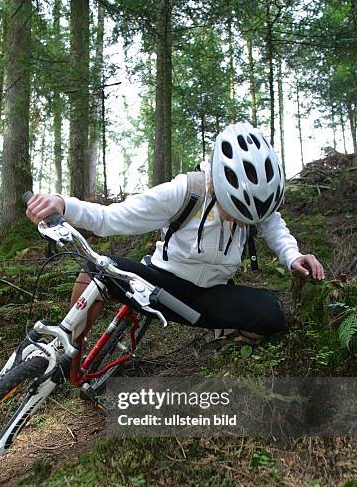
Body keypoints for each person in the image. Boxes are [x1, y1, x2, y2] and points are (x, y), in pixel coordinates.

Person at [26, 122, 325, 344]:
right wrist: (64, 204)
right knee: (95, 271)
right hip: (160, 283)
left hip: (211, 294)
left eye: (247, 220)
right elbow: (110, 218)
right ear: (218, 186)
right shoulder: (185, 192)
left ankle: (229, 333)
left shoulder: (258, 200)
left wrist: (293, 256)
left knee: (273, 314)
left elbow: (272, 224)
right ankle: (68, 348)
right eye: (233, 214)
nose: (240, 224)